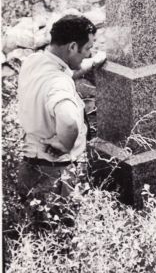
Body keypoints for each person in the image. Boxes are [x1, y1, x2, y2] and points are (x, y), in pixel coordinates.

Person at [17, 14, 105, 226]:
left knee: (35, 232)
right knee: (64, 235)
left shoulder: (34, 62)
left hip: (29, 167)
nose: (90, 52)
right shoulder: (59, 84)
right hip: (55, 174)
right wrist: (64, 143)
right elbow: (68, 121)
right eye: (88, 49)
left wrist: (92, 62)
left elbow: (62, 72)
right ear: (73, 47)